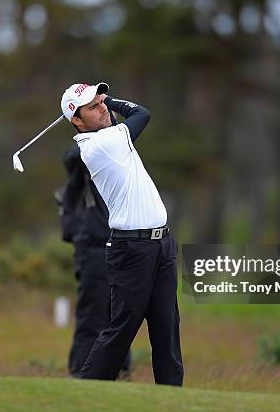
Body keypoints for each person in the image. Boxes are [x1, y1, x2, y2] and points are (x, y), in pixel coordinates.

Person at [59, 82, 184, 386]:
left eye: (102, 102)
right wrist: (114, 99)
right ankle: (85, 393)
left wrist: (102, 103)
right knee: (121, 330)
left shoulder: (111, 137)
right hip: (132, 249)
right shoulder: (102, 144)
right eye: (94, 105)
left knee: (166, 327)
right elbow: (142, 113)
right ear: (77, 120)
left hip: (161, 244)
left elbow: (121, 120)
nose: (102, 107)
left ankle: (173, 399)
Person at [56, 138, 132, 378]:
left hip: (120, 247)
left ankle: (120, 370)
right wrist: (97, 135)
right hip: (93, 249)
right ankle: (80, 371)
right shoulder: (84, 163)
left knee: (120, 315)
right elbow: (70, 157)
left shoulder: (118, 164)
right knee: (92, 316)